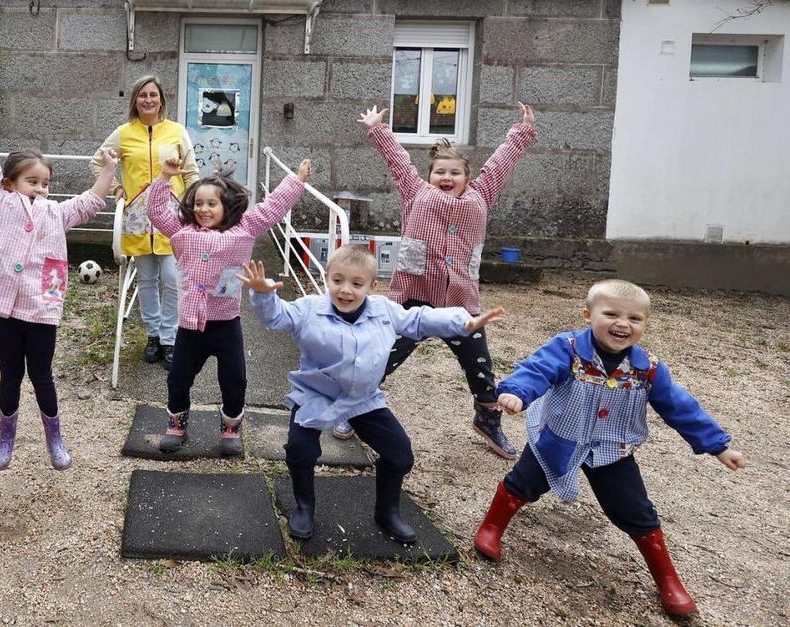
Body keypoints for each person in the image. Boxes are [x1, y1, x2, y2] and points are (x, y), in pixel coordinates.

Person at [474, 279, 747, 617]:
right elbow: (538, 369)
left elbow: (679, 406)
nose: (622, 324)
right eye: (612, 314)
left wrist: (717, 446)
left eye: (635, 319)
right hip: (561, 438)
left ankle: (667, 578)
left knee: (635, 510)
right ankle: (491, 527)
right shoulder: (568, 348)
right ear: (588, 315)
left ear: (644, 324)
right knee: (523, 482)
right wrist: (518, 391)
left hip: (612, 449)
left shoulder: (648, 369)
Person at [240, 249, 505, 542]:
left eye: (357, 283)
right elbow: (276, 318)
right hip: (316, 394)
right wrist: (264, 295)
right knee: (301, 450)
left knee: (400, 454)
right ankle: (304, 506)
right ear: (326, 278)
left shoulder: (384, 310)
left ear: (372, 286)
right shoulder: (309, 309)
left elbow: (418, 319)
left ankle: (387, 510)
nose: (345, 290)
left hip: (363, 399)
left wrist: (463, 322)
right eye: (338, 280)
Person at [336, 102, 535, 458]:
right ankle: (355, 407)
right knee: (385, 357)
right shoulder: (416, 192)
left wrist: (520, 134)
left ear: (468, 178)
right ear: (429, 176)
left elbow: (502, 163)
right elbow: (398, 161)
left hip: (462, 302)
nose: (446, 178)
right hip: (415, 298)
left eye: (454, 173)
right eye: (439, 172)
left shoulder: (482, 195)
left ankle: (487, 419)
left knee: (480, 366)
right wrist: (378, 129)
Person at [0, 97, 116, 470]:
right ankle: (5, 437)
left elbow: (89, 202)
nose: (40, 189)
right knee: (10, 375)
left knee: (41, 374)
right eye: (32, 181)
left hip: (40, 304)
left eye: (45, 183)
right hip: (3, 303)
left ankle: (54, 437)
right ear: (9, 182)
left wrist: (108, 171)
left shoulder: (54, 212)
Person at [148, 156, 309, 454]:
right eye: (198, 203)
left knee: (235, 379)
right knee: (179, 377)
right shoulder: (183, 230)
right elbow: (156, 211)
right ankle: (177, 423)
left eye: (211, 204)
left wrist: (296, 181)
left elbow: (273, 207)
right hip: (190, 324)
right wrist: (164, 177)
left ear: (226, 207)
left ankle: (231, 426)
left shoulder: (244, 228)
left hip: (226, 322)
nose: (203, 209)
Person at [90, 75, 199, 370]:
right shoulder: (124, 133)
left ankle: (169, 337)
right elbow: (98, 162)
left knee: (173, 279)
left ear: (161, 99)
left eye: (153, 95)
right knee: (147, 279)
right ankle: (153, 335)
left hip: (173, 216)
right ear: (135, 101)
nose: (148, 100)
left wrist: (195, 205)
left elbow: (191, 172)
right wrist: (115, 188)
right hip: (138, 216)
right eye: (142, 95)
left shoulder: (176, 131)